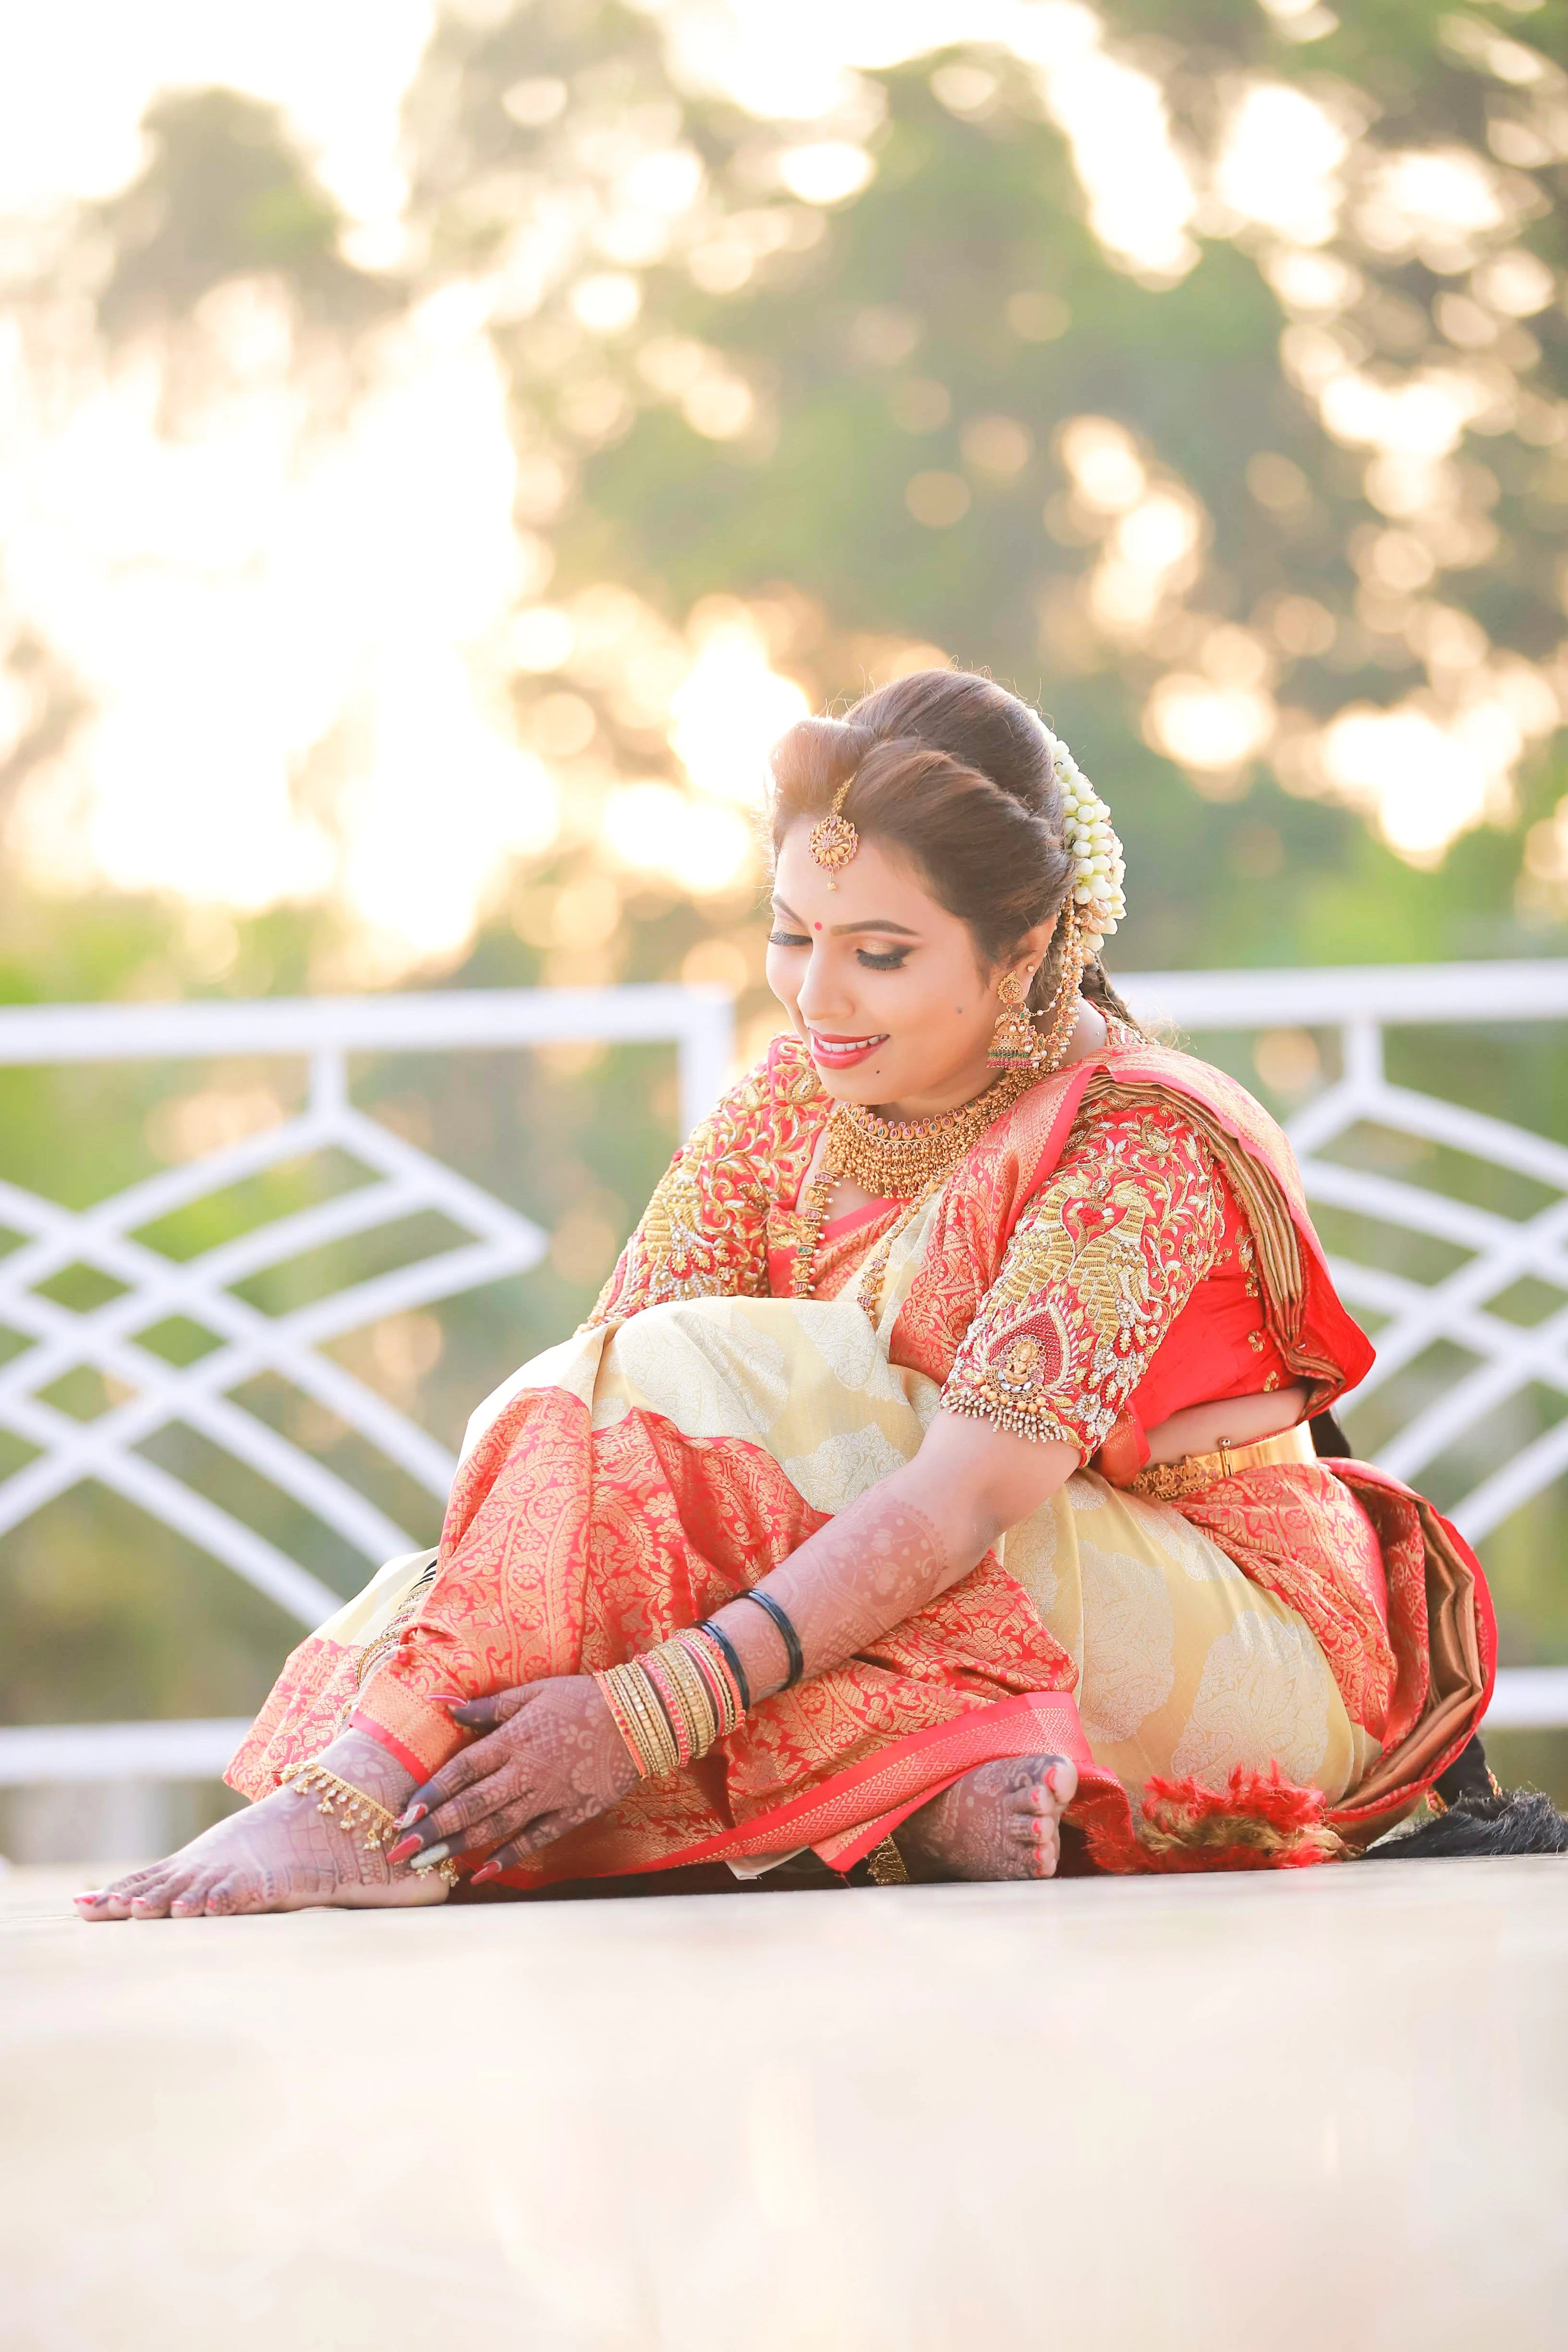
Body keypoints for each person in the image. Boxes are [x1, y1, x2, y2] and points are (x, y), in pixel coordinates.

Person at [79, 670, 1521, 1923]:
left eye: (879, 955)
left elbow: (958, 1502)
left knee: (712, 1420)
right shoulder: (794, 1100)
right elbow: (605, 1408)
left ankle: (386, 1804)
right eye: (793, 934)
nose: (815, 998)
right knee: (586, 1479)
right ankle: (909, 1790)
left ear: (1027, 949)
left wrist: (642, 1711)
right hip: (940, 1588)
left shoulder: (1139, 1138)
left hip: (1224, 1633)